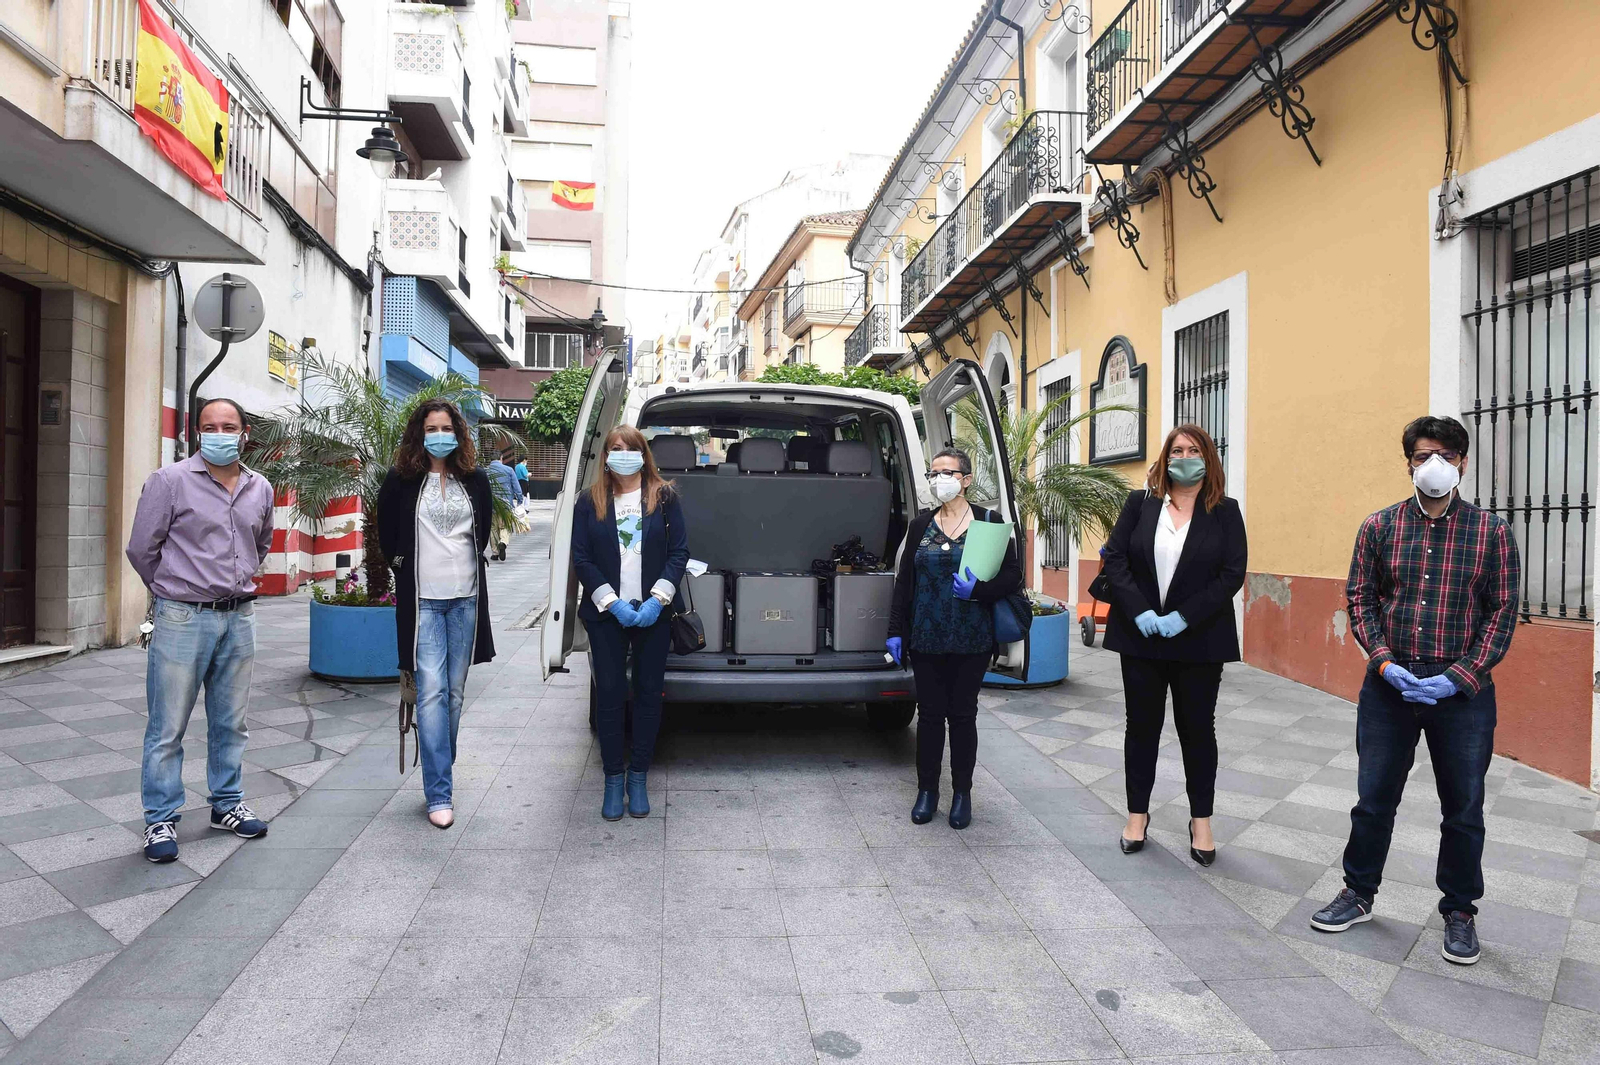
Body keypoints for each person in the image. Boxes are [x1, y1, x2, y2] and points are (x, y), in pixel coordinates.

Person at [1312, 415, 1519, 967]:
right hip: (1391, 689)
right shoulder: (1379, 528)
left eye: (1448, 456)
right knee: (1374, 798)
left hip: (1463, 694)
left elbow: (1502, 612)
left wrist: (1462, 676)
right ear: (1408, 461)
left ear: (1463, 464)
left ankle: (1459, 912)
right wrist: (1382, 662)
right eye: (1426, 454)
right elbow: (1361, 599)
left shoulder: (1492, 532)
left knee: (1464, 807)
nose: (1436, 465)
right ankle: (1358, 893)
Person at [126, 398, 275, 863]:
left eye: (228, 426)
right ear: (195, 432)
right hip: (182, 618)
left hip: (240, 617)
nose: (219, 433)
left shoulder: (260, 487)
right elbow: (141, 549)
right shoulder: (168, 482)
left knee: (232, 721)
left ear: (244, 432)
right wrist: (174, 592)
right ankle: (161, 821)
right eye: (209, 426)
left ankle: (226, 805)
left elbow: (261, 542)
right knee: (167, 725)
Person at [1100, 424, 1247, 866]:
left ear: (1208, 457)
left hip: (1199, 640)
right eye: (1177, 449)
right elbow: (1116, 557)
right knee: (1140, 728)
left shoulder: (1226, 511)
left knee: (1198, 731)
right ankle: (1136, 815)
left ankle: (1200, 819)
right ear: (1165, 458)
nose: (1185, 456)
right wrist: (1140, 610)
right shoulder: (1139, 505)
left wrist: (1184, 616)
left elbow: (1232, 574)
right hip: (1140, 637)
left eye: (1194, 449)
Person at [886, 447, 1023, 830]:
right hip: (926, 635)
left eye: (946, 472)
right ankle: (927, 791)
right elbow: (904, 583)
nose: (938, 480)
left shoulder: (989, 522)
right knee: (929, 716)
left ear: (965, 479)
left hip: (971, 636)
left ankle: (962, 793)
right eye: (933, 474)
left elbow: (1013, 576)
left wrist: (978, 590)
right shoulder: (919, 525)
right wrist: (896, 631)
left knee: (963, 715)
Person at [377, 400, 498, 829]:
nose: (439, 435)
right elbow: (386, 534)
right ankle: (439, 792)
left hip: (465, 600)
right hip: (423, 603)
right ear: (419, 434)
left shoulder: (476, 480)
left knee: (454, 697)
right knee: (431, 695)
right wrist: (403, 568)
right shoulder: (400, 480)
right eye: (431, 428)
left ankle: (437, 772)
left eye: (446, 427)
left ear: (458, 432)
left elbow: (480, 533)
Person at [572, 426, 688, 821]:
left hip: (652, 612)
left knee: (648, 693)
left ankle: (638, 776)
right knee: (608, 694)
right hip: (607, 616)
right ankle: (612, 778)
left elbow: (680, 552)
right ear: (605, 456)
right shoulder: (590, 501)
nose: (622, 454)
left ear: (643, 453)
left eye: (629, 448)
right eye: (614, 449)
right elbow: (582, 557)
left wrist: (657, 600)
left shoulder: (664, 497)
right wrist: (611, 602)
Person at [487, 448, 524, 561]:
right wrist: (520, 500)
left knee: (493, 528)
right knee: (505, 526)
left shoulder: (485, 471)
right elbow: (516, 487)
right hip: (505, 503)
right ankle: (503, 542)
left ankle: (495, 553)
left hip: (491, 504)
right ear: (501, 458)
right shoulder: (508, 470)